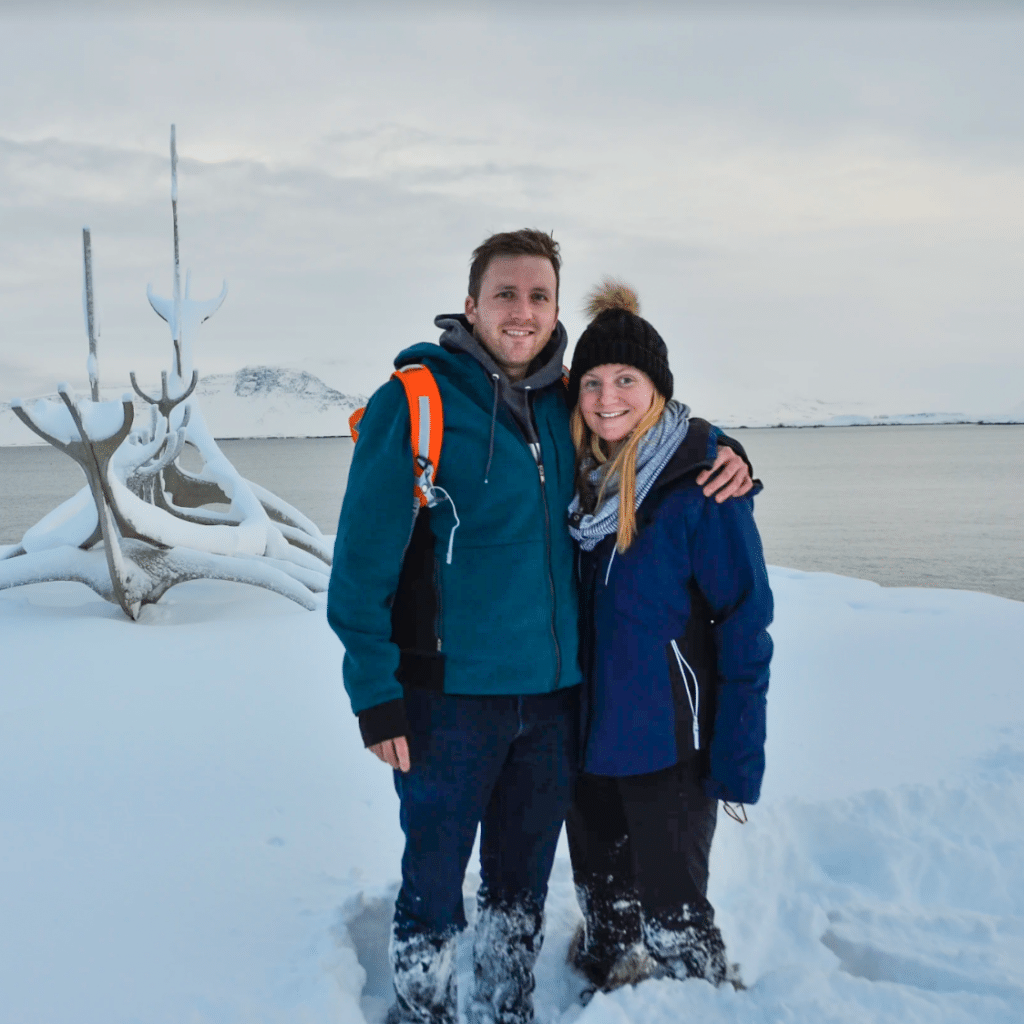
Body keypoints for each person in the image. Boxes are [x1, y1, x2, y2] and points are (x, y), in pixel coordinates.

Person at [327, 232, 753, 1024]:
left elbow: (653, 434)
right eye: (506, 294)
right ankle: (422, 1010)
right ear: (471, 305)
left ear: (557, 306)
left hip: (556, 701)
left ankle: (506, 1003)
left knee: (518, 883)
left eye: (539, 296)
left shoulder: (570, 403)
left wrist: (725, 452)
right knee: (434, 878)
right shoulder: (415, 402)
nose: (523, 313)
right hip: (448, 700)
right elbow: (359, 569)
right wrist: (374, 696)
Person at [563, 280, 773, 996]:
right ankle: (610, 990)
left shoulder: (700, 486)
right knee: (605, 914)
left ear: (656, 388)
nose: (606, 395)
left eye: (626, 378)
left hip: (668, 748)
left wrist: (738, 756)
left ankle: (702, 1004)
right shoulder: (575, 480)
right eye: (591, 381)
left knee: (675, 918)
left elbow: (746, 619)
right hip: (583, 738)